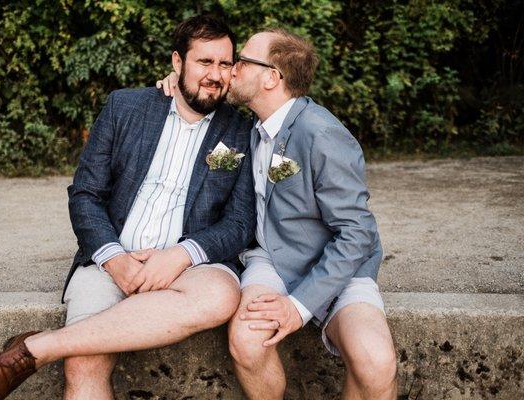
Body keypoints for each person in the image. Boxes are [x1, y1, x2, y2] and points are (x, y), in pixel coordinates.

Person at [0, 15, 255, 400]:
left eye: (224, 64)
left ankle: (36, 348)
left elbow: (239, 222)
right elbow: (85, 194)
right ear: (177, 63)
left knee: (220, 296)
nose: (215, 75)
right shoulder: (126, 107)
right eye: (204, 62)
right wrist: (115, 258)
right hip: (109, 258)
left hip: (191, 268)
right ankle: (57, 345)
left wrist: (181, 255)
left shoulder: (243, 130)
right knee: (84, 363)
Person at [158, 28, 397, 400]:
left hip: (335, 265)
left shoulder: (321, 134)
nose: (231, 70)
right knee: (248, 341)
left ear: (272, 77)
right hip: (270, 259)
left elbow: (356, 234)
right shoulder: (252, 125)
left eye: (241, 62)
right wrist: (176, 80)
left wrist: (298, 307)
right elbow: (201, 105)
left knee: (376, 362)